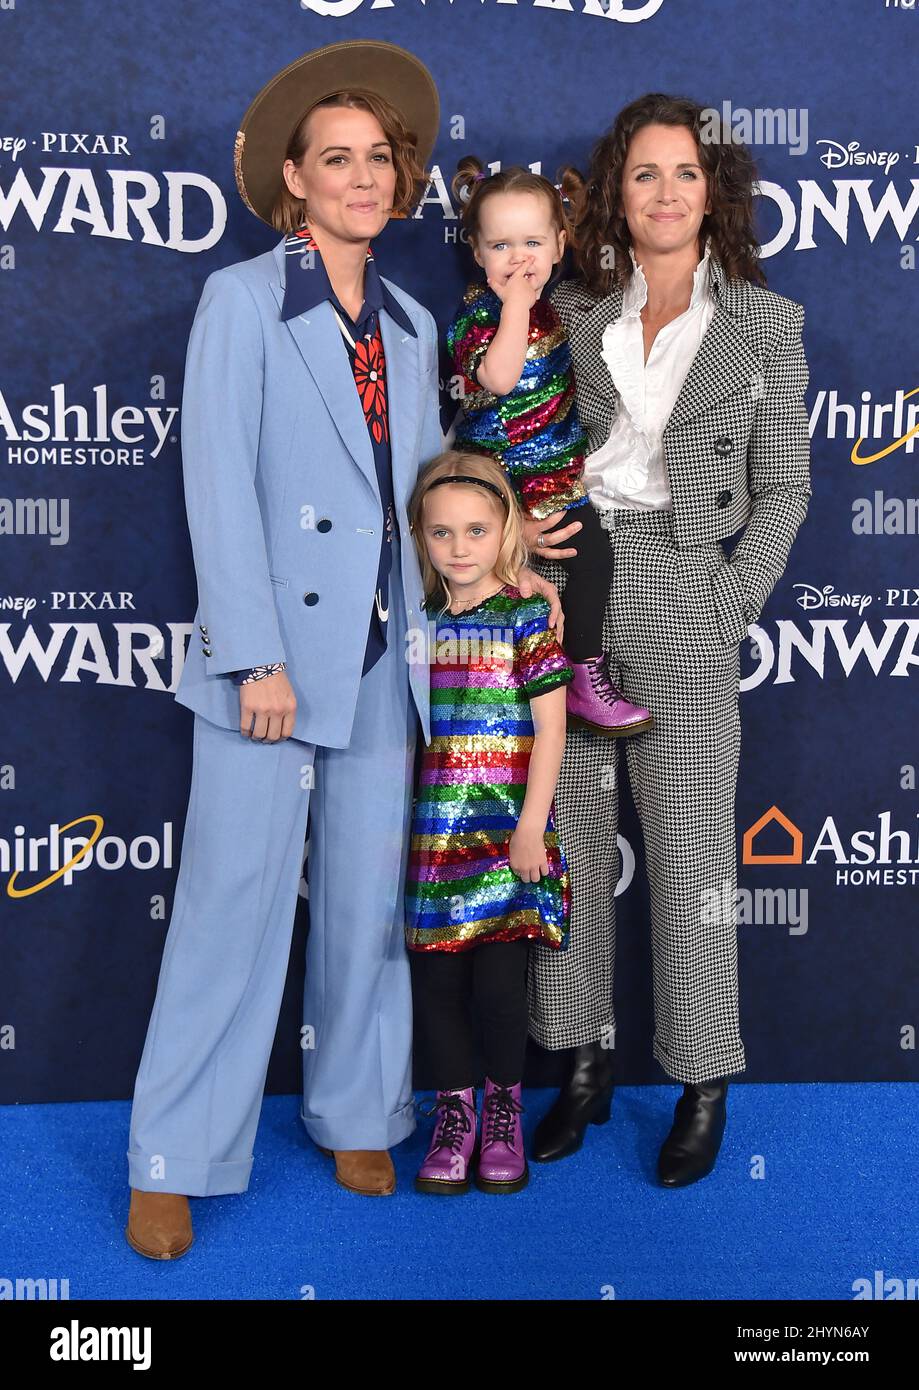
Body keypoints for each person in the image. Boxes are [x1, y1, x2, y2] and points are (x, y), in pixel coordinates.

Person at [524, 94, 812, 1186]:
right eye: (643, 174)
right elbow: (514, 431)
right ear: (617, 190)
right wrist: (525, 529)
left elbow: (784, 488)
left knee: (692, 861)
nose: (664, 193)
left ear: (711, 191)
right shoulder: (567, 305)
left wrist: (729, 601)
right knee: (573, 845)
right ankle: (582, 1065)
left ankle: (700, 1079)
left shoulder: (765, 326)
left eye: (683, 173)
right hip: (570, 587)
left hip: (688, 596)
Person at [404, 450, 573, 1195]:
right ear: (420, 537)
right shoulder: (420, 619)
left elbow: (552, 728)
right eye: (441, 533)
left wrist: (531, 825)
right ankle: (453, 1114)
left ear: (506, 527)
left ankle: (502, 1109)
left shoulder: (526, 614)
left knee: (501, 991)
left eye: (475, 529)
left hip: (509, 841)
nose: (459, 547)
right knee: (437, 988)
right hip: (434, 842)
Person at [444, 159, 652, 738]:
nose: (519, 259)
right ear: (478, 253)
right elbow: (501, 379)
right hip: (496, 484)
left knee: (594, 558)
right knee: (497, 590)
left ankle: (585, 673)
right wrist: (512, 306)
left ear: (560, 245)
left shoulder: (555, 310)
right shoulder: (478, 315)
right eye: (502, 245)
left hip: (555, 476)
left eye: (533, 242)